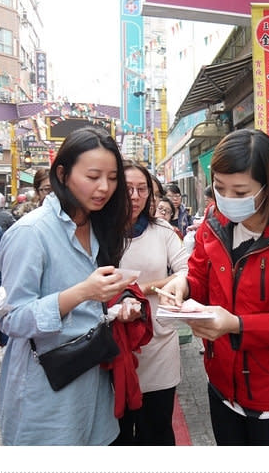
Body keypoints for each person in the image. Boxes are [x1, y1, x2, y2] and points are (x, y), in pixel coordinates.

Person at [160, 129, 269, 445]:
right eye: (220, 189)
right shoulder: (214, 221)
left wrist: (235, 325)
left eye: (240, 192)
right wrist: (182, 285)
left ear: (268, 187)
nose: (227, 201)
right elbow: (199, 276)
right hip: (221, 382)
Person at [0, 126, 140, 445]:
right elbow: (10, 319)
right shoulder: (30, 233)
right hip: (45, 394)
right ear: (62, 174)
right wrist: (82, 293)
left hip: (93, 388)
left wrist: (119, 304)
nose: (104, 187)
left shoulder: (98, 226)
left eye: (112, 177)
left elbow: (95, 305)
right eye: (93, 176)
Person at [112, 160, 189, 446]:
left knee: (156, 429)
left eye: (141, 189)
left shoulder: (163, 232)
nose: (134, 195)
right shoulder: (99, 231)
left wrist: (140, 290)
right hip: (115, 345)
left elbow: (185, 271)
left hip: (158, 341)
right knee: (117, 433)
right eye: (127, 188)